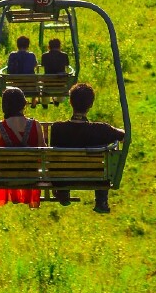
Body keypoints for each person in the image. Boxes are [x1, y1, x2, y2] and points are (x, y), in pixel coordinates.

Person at [50, 82, 125, 214]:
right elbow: (124, 136)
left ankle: (63, 191)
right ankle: (101, 200)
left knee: (63, 163)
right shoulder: (101, 129)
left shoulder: (57, 128)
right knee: (103, 166)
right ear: (90, 105)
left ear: (71, 102)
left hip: (62, 177)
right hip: (94, 178)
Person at [0, 87, 43, 210]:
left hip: (7, 177)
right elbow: (43, 152)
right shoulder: (35, 125)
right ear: (23, 104)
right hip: (31, 177)